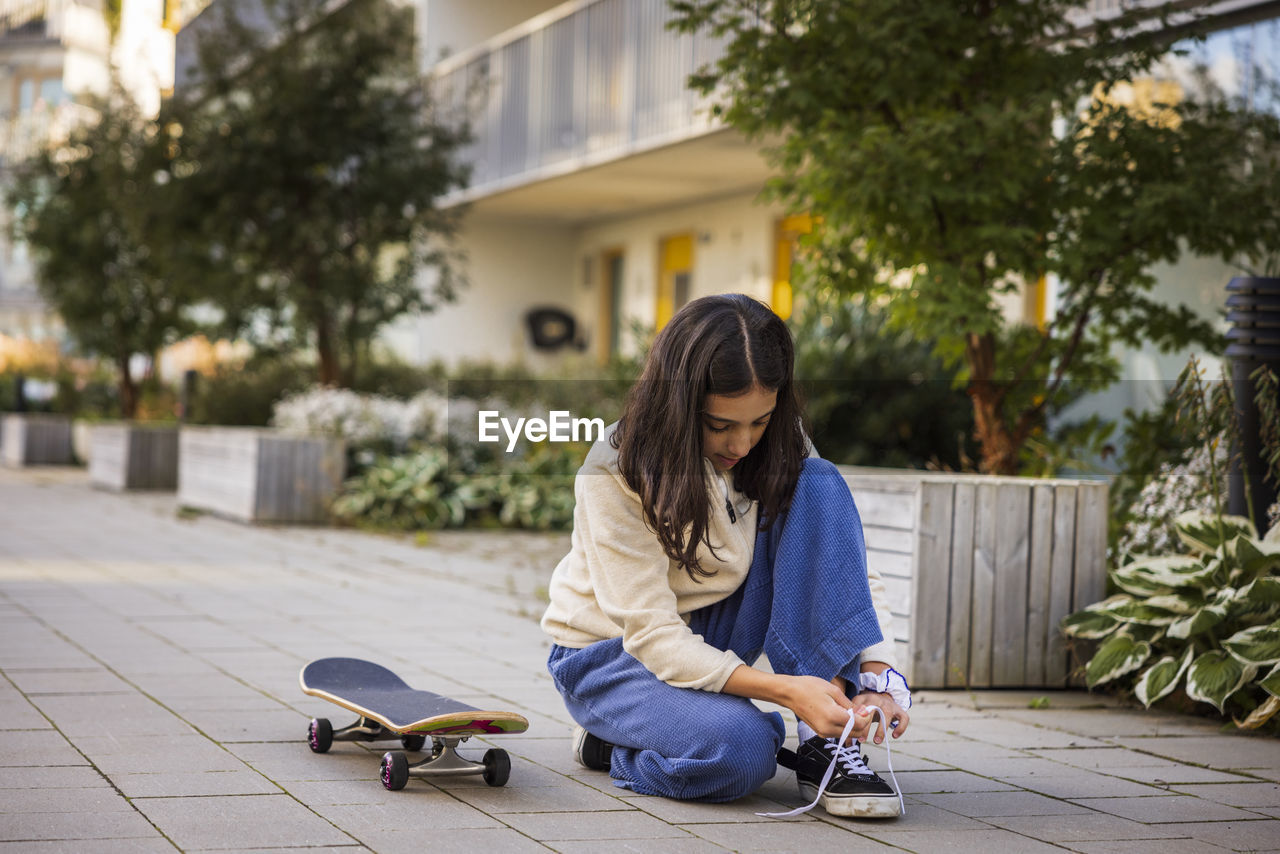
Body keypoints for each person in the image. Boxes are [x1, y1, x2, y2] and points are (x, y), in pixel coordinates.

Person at [540, 293, 910, 819]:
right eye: (720, 425)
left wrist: (877, 676)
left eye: (759, 421)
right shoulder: (615, 472)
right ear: (679, 405)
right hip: (612, 656)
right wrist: (783, 691)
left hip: (716, 625)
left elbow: (841, 565)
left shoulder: (780, 443)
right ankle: (613, 746)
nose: (742, 442)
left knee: (820, 483)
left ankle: (827, 741)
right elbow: (652, 635)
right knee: (743, 752)